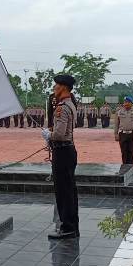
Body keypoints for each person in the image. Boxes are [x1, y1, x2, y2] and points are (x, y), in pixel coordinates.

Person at [42, 74, 79, 239]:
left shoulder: (62, 107)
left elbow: (60, 134)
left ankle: (68, 228)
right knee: (69, 190)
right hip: (67, 151)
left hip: (63, 151)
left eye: (56, 86)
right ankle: (71, 226)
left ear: (63, 87)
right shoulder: (70, 104)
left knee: (64, 192)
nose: (54, 88)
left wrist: (48, 135)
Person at [114, 97, 133, 165]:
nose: (126, 104)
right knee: (124, 152)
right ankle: (125, 166)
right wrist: (116, 134)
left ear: (131, 103)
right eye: (125, 102)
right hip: (122, 134)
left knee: (132, 152)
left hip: (132, 134)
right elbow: (116, 124)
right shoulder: (119, 112)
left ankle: (131, 167)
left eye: (128, 102)